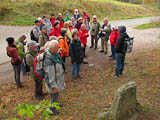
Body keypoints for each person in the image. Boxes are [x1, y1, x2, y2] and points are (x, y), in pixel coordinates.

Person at [43, 40, 65, 115]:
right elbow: (50, 75)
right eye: (57, 48)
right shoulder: (49, 60)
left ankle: (56, 104)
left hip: (57, 80)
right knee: (54, 95)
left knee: (56, 95)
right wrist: (53, 86)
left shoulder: (54, 55)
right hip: (53, 82)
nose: (58, 49)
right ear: (51, 49)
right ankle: (51, 109)